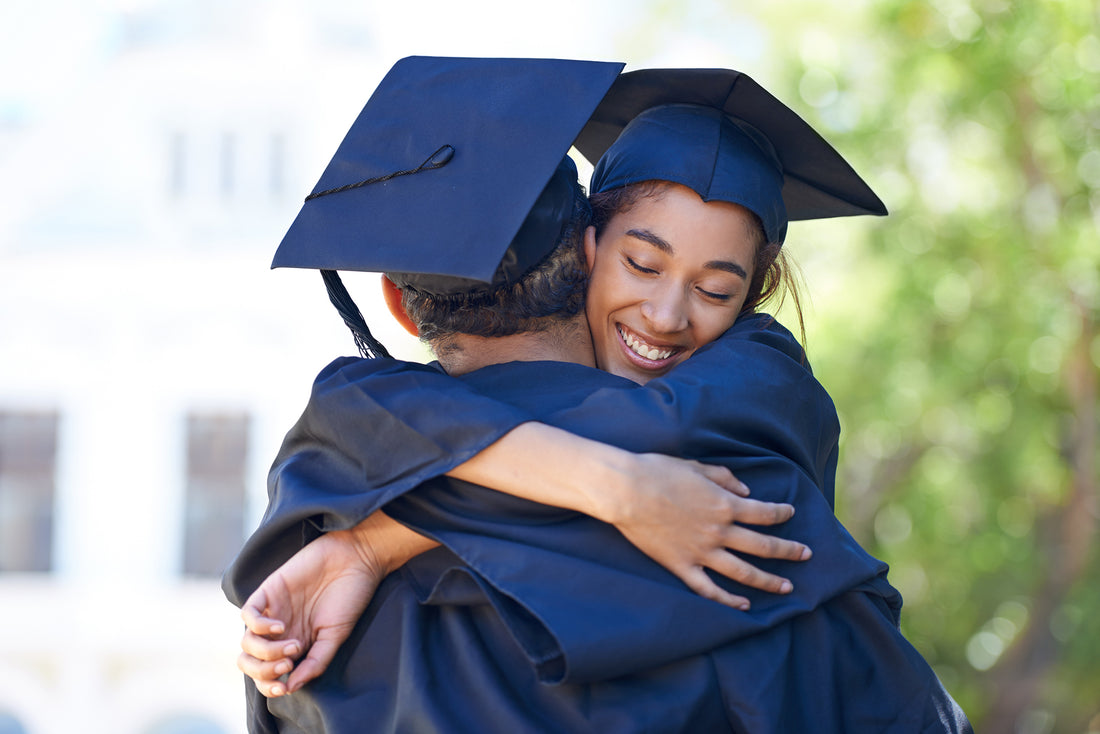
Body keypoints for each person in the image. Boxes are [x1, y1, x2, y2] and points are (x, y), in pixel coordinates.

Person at [224, 58, 973, 732]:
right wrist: (620, 490)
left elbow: (648, 428)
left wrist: (374, 538)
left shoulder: (316, 530)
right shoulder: (740, 531)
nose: (667, 315)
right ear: (589, 251)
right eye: (643, 263)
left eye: (716, 289)